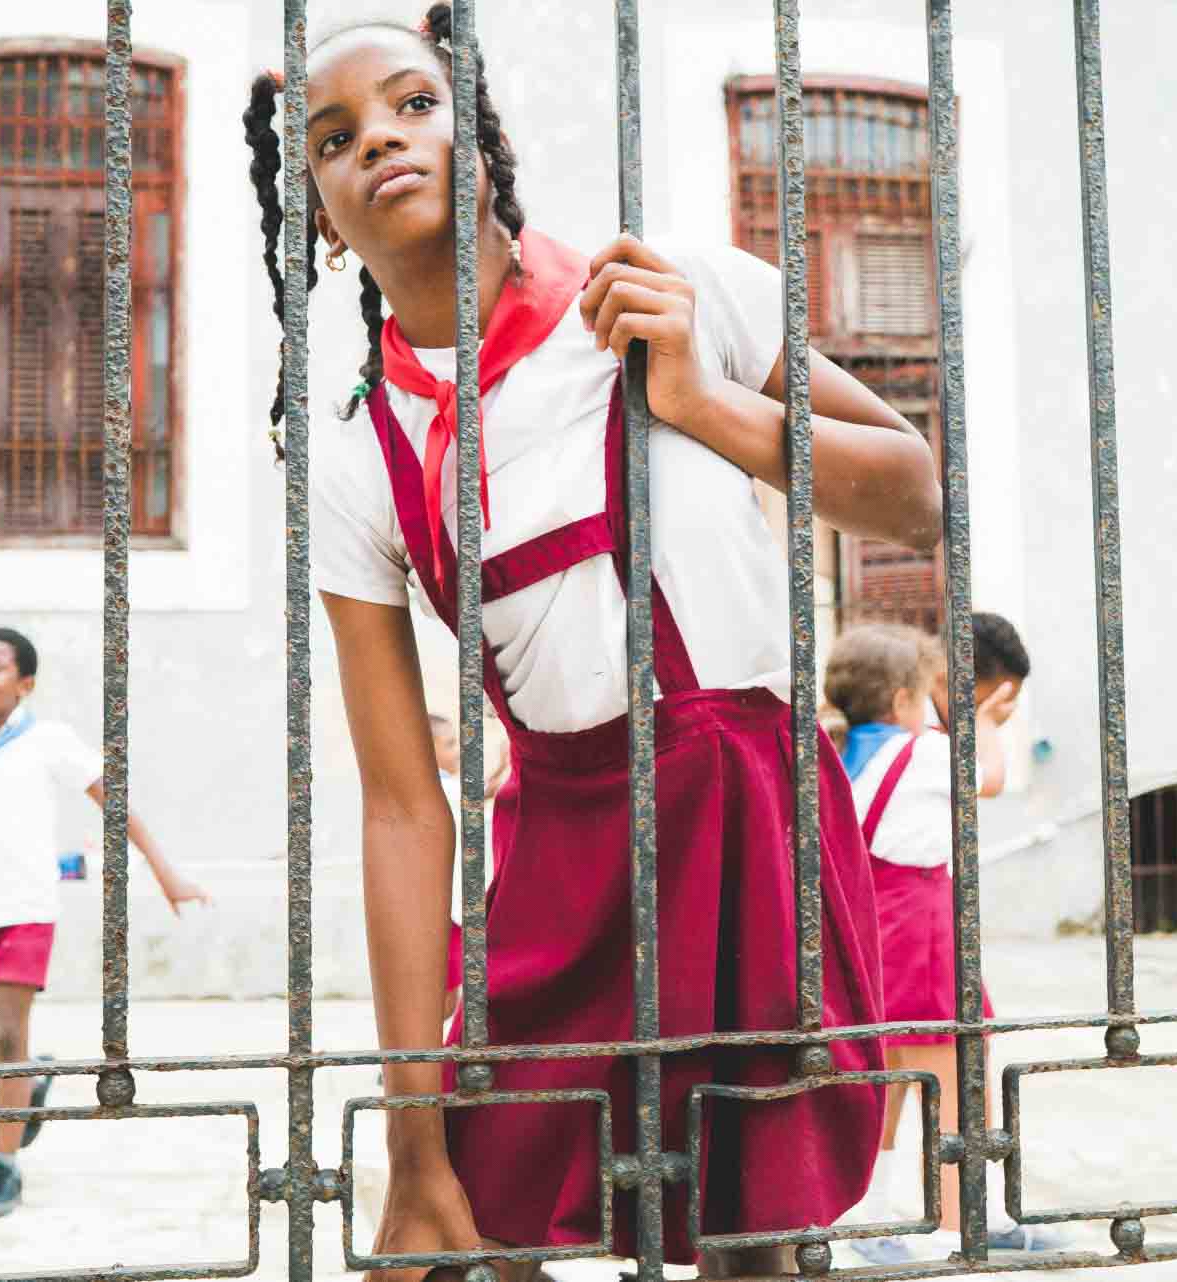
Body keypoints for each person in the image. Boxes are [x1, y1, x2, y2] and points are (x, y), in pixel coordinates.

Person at [244, 5, 943, 1275]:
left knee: (749, 1234)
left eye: (414, 104)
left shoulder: (670, 291)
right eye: (334, 139)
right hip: (561, 846)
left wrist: (701, 399)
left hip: (748, 811)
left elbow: (915, 496)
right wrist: (409, 1144)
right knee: (484, 1206)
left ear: (482, 141)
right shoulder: (356, 453)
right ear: (318, 218)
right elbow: (401, 806)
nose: (380, 141)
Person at [0, 625, 211, 1218]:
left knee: (6, 1036)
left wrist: (165, 872)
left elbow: (114, 802)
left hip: (26, 910)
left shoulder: (47, 740)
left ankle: (4, 1163)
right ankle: (33, 1079)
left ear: (25, 684)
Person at [824, 616, 1044, 1261]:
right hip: (921, 923)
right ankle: (961, 1221)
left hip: (874, 921)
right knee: (955, 1072)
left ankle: (870, 1214)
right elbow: (990, 777)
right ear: (902, 701)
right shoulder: (919, 753)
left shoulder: (843, 752)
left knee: (889, 1074)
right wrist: (986, 723)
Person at [428, 712, 508, 1023]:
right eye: (449, 744)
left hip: (453, 904)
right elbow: (478, 797)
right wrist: (504, 767)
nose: (458, 750)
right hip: (448, 907)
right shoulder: (438, 785)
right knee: (447, 993)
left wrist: (502, 768)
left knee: (451, 990)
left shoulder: (445, 784)